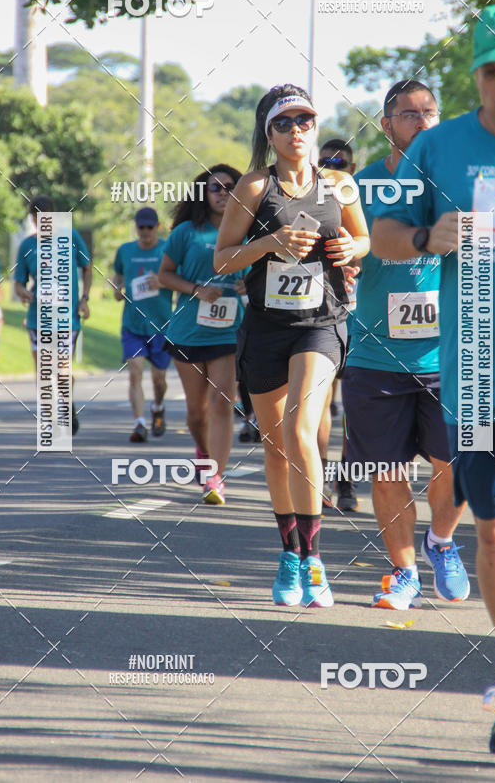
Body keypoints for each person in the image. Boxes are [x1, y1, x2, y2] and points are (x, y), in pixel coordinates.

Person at [370, 3, 495, 755]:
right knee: (487, 528)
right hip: (473, 365)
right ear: (475, 77)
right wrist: (425, 235)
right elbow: (382, 237)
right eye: (492, 70)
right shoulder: (440, 148)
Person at [214, 84, 369, 608]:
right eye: (285, 123)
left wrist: (353, 247)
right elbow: (222, 259)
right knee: (279, 448)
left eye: (305, 121)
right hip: (265, 328)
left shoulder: (340, 185)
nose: (297, 131)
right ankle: (288, 552)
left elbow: (362, 239)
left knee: (305, 430)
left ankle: (314, 560)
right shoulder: (256, 188)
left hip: (321, 323)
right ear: (269, 134)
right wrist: (270, 243)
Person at [344, 80, 469, 608]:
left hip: (453, 353)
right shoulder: (361, 186)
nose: (420, 121)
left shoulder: (461, 181)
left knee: (459, 463)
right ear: (385, 124)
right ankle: (404, 571)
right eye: (408, 114)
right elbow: (345, 246)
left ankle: (440, 542)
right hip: (376, 355)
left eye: (429, 113)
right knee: (387, 471)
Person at [159, 164, 245, 505]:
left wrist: (244, 284)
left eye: (230, 187)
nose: (224, 193)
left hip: (229, 330)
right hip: (189, 332)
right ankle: (203, 449)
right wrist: (195, 289)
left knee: (223, 401)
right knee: (197, 413)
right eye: (216, 188)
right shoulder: (186, 232)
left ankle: (214, 477)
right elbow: (165, 275)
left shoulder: (248, 232)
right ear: (203, 194)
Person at [15, 196, 91, 434]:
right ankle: (48, 422)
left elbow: (87, 267)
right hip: (39, 319)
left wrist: (85, 298)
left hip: (68, 318)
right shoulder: (28, 246)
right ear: (32, 219)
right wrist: (25, 294)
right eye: (37, 218)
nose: (43, 223)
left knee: (62, 371)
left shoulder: (72, 238)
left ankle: (67, 403)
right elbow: (18, 284)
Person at [318, 140, 358, 510]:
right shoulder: (310, 201)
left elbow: (372, 244)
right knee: (321, 402)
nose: (331, 167)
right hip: (324, 316)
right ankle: (317, 478)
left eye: (339, 162)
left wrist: (358, 259)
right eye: (325, 162)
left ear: (351, 166)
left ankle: (345, 481)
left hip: (365, 318)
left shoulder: (358, 197)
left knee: (352, 409)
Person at [112, 207, 173, 443]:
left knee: (159, 379)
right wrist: (117, 288)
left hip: (162, 325)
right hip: (133, 325)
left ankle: (158, 406)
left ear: (157, 227)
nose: (145, 231)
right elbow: (118, 275)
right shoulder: (125, 250)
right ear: (136, 228)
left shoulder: (167, 249)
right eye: (141, 227)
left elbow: (180, 279)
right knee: (135, 371)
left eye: (150, 227)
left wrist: (162, 281)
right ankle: (139, 424)